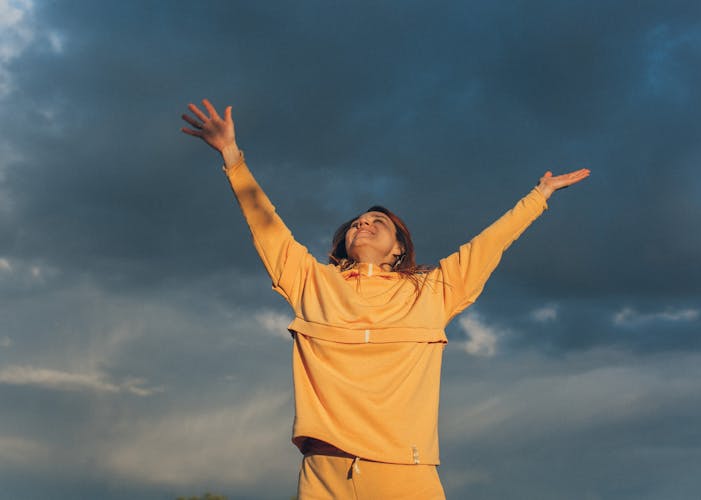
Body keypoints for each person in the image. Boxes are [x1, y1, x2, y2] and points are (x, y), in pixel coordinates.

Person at [181, 99, 590, 499]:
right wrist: (232, 155)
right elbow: (265, 224)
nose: (364, 223)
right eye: (358, 222)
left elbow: (488, 245)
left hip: (404, 472)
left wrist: (539, 196)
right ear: (344, 243)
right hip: (324, 473)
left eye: (378, 222)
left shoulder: (432, 291)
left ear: (398, 249)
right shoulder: (311, 282)